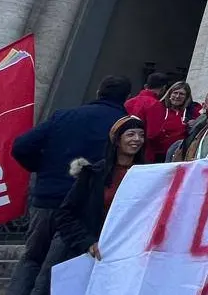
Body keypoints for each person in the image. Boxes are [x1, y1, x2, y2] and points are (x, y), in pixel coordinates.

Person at [7, 76, 131, 295]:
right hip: (79, 207)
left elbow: (21, 146)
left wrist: (42, 168)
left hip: (47, 198)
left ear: (98, 92)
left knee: (31, 257)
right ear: (127, 97)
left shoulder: (64, 116)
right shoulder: (122, 125)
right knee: (56, 266)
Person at [49, 116, 147, 280]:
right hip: (92, 256)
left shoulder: (148, 174)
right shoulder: (93, 174)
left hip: (129, 258)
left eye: (141, 135)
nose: (137, 139)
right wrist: (87, 242)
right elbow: (65, 214)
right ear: (117, 140)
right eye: (131, 134)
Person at [137, 81, 193, 162]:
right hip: (155, 155)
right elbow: (150, 133)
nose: (177, 96)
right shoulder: (158, 108)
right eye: (175, 93)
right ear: (169, 94)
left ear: (186, 97)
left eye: (181, 94)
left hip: (177, 156)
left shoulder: (190, 113)